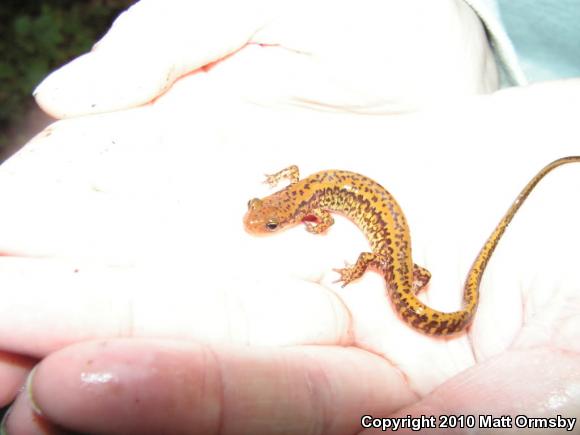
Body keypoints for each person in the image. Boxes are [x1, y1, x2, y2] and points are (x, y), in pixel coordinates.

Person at [1, 0, 579, 433]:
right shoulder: (304, 193)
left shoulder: (313, 206)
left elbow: (318, 213)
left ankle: (407, 281)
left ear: (298, 211)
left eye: (272, 222)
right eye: (267, 217)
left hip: (397, 252)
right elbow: (303, 192)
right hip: (407, 233)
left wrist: (347, 257)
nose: (265, 221)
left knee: (400, 278)